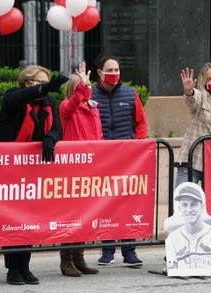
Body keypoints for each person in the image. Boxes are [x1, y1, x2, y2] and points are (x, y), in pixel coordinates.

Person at [0, 65, 67, 285]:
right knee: (12, 220)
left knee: (29, 219)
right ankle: (12, 268)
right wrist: (41, 89)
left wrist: (49, 139)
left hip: (33, 172)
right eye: (39, 82)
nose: (44, 87)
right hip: (9, 170)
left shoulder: (48, 102)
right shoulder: (13, 97)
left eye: (46, 83)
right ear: (27, 82)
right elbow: (14, 101)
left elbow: (56, 128)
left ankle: (25, 265)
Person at [91, 55, 148, 267]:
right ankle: (107, 250)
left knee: (128, 203)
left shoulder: (130, 93)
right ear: (100, 72)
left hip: (128, 158)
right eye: (110, 70)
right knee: (106, 203)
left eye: (117, 69)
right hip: (103, 158)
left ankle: (129, 251)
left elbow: (141, 123)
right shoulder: (90, 93)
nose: (114, 73)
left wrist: (136, 145)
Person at [58, 62, 100, 277]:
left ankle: (78, 256)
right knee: (71, 214)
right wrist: (82, 89)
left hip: (91, 168)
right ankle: (66, 259)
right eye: (82, 86)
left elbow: (98, 138)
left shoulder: (93, 110)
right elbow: (74, 103)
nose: (86, 88)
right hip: (72, 169)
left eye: (88, 84)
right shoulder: (67, 107)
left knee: (84, 214)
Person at [165, 183, 211, 272]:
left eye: (194, 204)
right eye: (184, 205)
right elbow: (173, 268)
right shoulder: (172, 238)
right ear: (179, 208)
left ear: (202, 206)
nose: (189, 210)